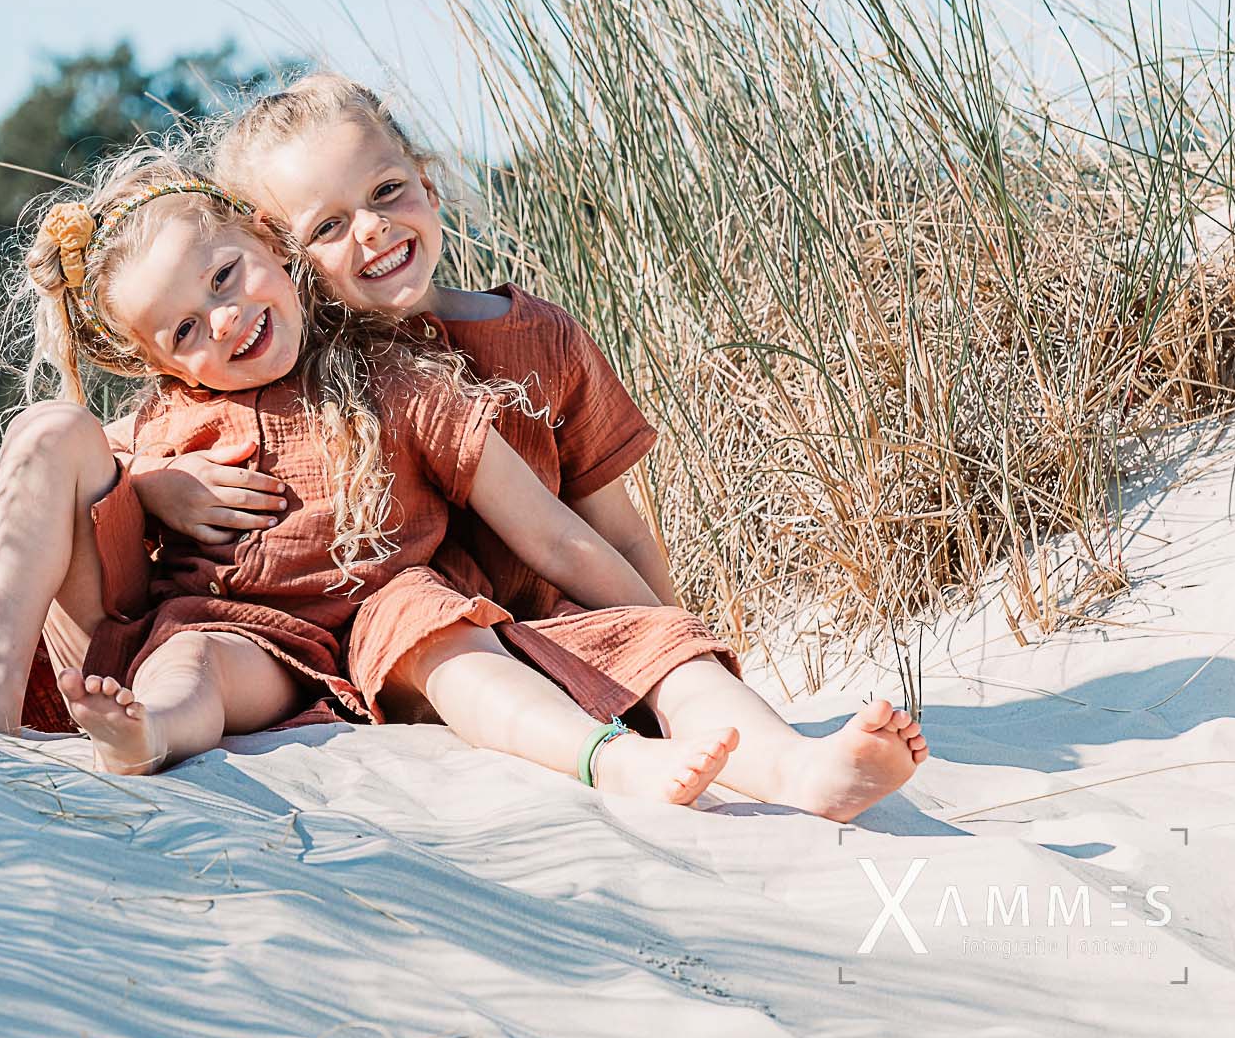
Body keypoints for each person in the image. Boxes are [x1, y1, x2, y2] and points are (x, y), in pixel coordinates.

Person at [193, 73, 928, 819]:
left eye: (386, 191)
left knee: (663, 655)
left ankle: (802, 768)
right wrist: (166, 485)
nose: (373, 229)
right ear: (280, 259)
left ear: (428, 183)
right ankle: (614, 755)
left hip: (560, 620)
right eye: (327, 227)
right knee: (426, 619)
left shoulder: (542, 337)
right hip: (428, 655)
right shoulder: (294, 377)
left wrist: (677, 638)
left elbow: (613, 529)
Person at [0, 142, 740, 805]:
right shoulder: (173, 413)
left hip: (341, 635)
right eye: (186, 330)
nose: (224, 320)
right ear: (159, 364)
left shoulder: (384, 376)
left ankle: (606, 754)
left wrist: (670, 633)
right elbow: (88, 469)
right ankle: (14, 693)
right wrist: (151, 484)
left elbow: (558, 535)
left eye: (224, 277)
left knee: (412, 633)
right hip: (198, 630)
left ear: (269, 242)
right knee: (60, 445)